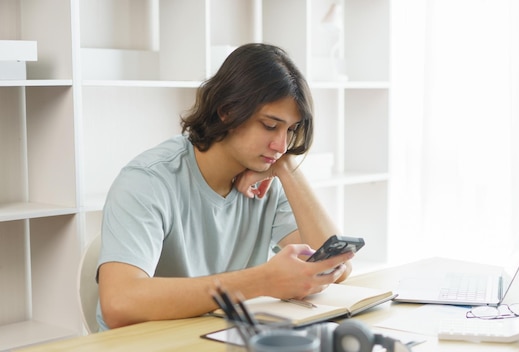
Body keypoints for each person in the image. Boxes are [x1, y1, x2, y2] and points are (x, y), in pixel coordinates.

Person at [96, 43, 355, 331]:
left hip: (222, 338)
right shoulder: (148, 180)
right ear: (227, 111)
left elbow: (334, 265)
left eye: (291, 130)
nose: (281, 145)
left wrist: (287, 169)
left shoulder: (269, 181)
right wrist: (263, 281)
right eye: (270, 126)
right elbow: (118, 304)